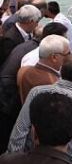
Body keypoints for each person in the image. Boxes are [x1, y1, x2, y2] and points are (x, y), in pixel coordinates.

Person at [8, 54, 72, 160]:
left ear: (61, 70)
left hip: (35, 158)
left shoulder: (36, 92)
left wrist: (14, 158)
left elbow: (21, 129)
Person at [0, 23, 66, 154]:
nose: (68, 56)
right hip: (32, 129)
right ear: (54, 56)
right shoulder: (49, 82)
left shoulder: (27, 65)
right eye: (66, 53)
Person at [16, 35, 69, 103]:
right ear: (54, 57)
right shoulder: (53, 85)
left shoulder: (23, 70)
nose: (69, 57)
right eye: (67, 54)